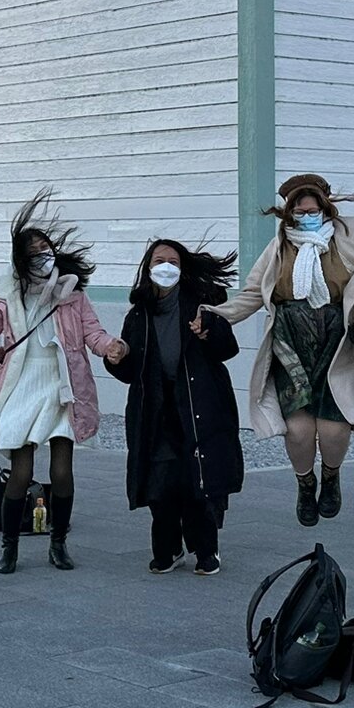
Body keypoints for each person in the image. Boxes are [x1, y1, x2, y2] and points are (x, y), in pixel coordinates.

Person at [0, 192, 126, 574]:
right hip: (21, 383)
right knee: (22, 473)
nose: (44, 256)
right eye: (35, 252)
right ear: (20, 259)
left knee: (62, 470)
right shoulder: (6, 295)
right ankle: (8, 546)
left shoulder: (72, 293)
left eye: (47, 249)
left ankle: (58, 542)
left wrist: (112, 346)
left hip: (63, 384)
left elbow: (93, 333)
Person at [217, 174, 354, 527]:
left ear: (326, 208)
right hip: (290, 342)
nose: (308, 215)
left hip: (336, 344)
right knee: (300, 430)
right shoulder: (278, 248)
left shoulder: (346, 244)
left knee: (336, 429)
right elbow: (250, 294)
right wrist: (216, 316)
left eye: (314, 209)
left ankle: (332, 477)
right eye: (300, 210)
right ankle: (305, 484)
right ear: (289, 214)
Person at [104, 239, 244, 576]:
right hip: (155, 410)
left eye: (172, 261)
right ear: (148, 268)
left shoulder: (201, 305)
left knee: (198, 480)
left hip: (198, 405)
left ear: (182, 269)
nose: (165, 266)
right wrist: (116, 358)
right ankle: (167, 549)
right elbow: (129, 370)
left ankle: (206, 550)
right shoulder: (138, 313)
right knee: (161, 483)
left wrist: (209, 331)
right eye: (158, 260)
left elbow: (228, 348)